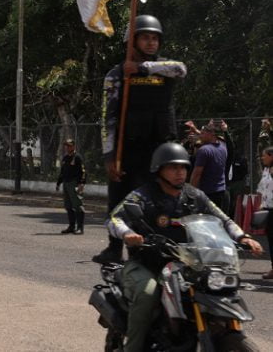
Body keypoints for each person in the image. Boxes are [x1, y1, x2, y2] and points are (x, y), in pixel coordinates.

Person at [107, 142, 262, 352]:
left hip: (190, 263)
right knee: (147, 293)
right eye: (173, 167)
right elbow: (115, 219)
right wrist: (128, 234)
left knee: (217, 288)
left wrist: (243, 237)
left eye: (183, 167)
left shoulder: (195, 196)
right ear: (159, 170)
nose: (180, 172)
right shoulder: (143, 195)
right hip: (146, 263)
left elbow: (223, 220)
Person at [94, 15, 187, 265]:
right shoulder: (116, 75)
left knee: (154, 201)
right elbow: (108, 118)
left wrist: (142, 68)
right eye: (145, 37)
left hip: (161, 151)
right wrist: (109, 156)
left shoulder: (165, 68)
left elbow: (181, 69)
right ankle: (115, 247)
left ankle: (151, 247)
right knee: (119, 199)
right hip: (128, 149)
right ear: (132, 42)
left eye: (154, 38)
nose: (150, 43)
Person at [190, 122, 229, 210]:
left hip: (208, 194)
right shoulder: (223, 147)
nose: (200, 135)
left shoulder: (204, 150)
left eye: (203, 133)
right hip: (222, 192)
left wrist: (191, 194)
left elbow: (197, 175)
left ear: (212, 134)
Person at [55, 139, 85, 234]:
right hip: (66, 184)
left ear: (73, 146)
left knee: (77, 206)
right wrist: (58, 183)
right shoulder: (65, 158)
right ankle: (71, 226)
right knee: (68, 206)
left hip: (74, 183)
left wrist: (82, 183)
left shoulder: (77, 157)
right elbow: (62, 172)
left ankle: (80, 228)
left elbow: (83, 171)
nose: (67, 147)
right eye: (66, 146)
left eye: (69, 145)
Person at [256, 147, 273, 280]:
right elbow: (261, 189)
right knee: (271, 241)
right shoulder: (266, 170)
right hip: (268, 210)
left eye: (264, 156)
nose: (262, 158)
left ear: (271, 155)